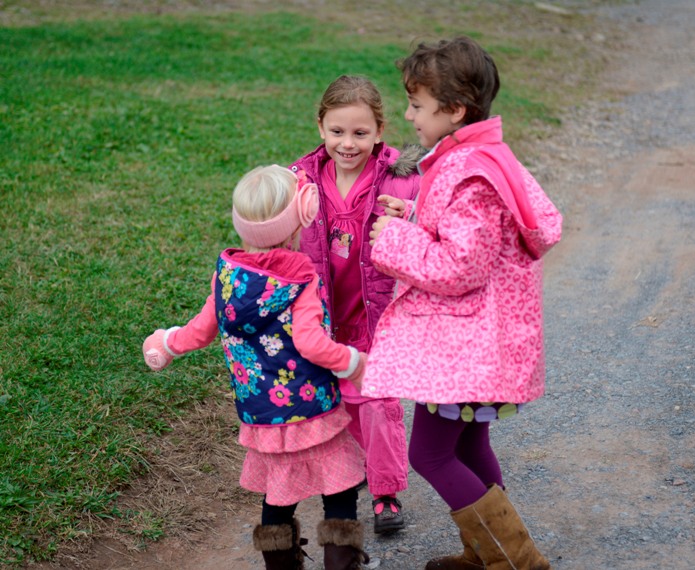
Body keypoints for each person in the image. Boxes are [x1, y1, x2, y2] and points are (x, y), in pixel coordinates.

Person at [364, 36, 562, 569]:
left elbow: (459, 267)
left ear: (454, 110)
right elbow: (464, 240)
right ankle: (483, 554)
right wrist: (411, 220)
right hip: (473, 341)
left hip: (461, 345)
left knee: (427, 454)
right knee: (470, 448)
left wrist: (392, 238)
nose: (408, 115)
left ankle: (513, 562)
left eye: (417, 105)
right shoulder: (476, 155)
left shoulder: (469, 173)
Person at [141, 165, 371, 570]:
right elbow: (311, 344)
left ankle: (280, 565)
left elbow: (200, 330)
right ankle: (341, 563)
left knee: (279, 495)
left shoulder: (227, 277)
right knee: (340, 486)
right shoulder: (301, 281)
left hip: (262, 416)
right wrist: (354, 363)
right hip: (313, 409)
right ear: (301, 217)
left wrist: (167, 343)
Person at [290, 75, 421, 535]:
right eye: (338, 131)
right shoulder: (301, 180)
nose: (348, 143)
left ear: (379, 131)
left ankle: (386, 492)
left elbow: (431, 221)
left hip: (378, 312)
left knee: (379, 402)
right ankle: (353, 473)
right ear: (321, 127)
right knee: (340, 399)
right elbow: (278, 230)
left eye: (360, 133)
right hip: (324, 314)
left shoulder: (400, 181)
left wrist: (410, 217)